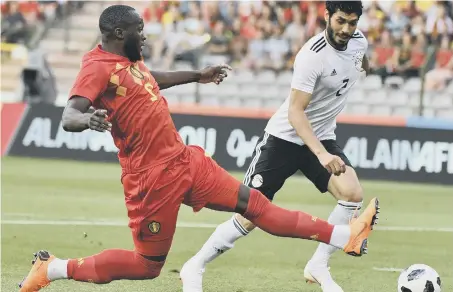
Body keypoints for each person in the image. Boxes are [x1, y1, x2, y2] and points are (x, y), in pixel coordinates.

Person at [18, 4, 379, 292]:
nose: (143, 36)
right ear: (117, 34)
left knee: (256, 206)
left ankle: (344, 236)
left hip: (185, 161)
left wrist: (196, 75)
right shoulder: (96, 67)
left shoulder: (129, 62)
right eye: (138, 31)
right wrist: (89, 121)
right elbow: (69, 114)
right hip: (151, 180)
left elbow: (150, 79)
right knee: (147, 266)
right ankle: (54, 269)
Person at [180, 2, 371, 292]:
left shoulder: (359, 43)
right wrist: (321, 154)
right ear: (327, 16)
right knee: (250, 216)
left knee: (352, 193)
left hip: (320, 137)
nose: (346, 29)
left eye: (353, 23)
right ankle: (195, 265)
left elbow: (359, 61)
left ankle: (318, 264)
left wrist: (361, 71)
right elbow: (296, 112)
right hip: (285, 138)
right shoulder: (312, 56)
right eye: (341, 21)